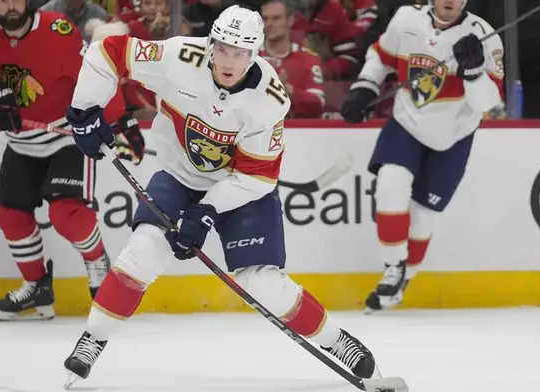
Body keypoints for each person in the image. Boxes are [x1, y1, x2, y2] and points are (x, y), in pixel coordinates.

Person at [61, 4, 379, 386]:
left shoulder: (270, 100)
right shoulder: (178, 56)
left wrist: (208, 210)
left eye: (242, 52)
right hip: (179, 175)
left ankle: (337, 342)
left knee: (262, 282)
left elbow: (257, 177)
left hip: (241, 190)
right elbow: (107, 52)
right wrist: (83, 111)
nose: (230, 61)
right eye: (224, 49)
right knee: (143, 251)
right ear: (211, 44)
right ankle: (92, 339)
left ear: (256, 53)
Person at [0, 0, 145, 321]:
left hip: (65, 135)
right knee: (10, 215)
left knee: (65, 212)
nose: (10, 6)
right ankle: (36, 285)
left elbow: (95, 74)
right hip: (21, 143)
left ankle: (98, 263)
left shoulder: (60, 30)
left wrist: (119, 120)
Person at [340, 0, 504, 313]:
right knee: (390, 183)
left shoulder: (484, 35)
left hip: (454, 135)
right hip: (408, 122)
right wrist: (365, 87)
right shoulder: (405, 19)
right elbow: (381, 56)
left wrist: (472, 73)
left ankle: (401, 282)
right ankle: (392, 267)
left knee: (422, 218)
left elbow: (488, 101)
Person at [259, 0, 325, 118]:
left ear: (290, 21)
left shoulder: (309, 59)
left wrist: (290, 91)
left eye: (276, 18)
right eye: (265, 19)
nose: (269, 23)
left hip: (297, 132)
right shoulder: (249, 57)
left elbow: (318, 104)